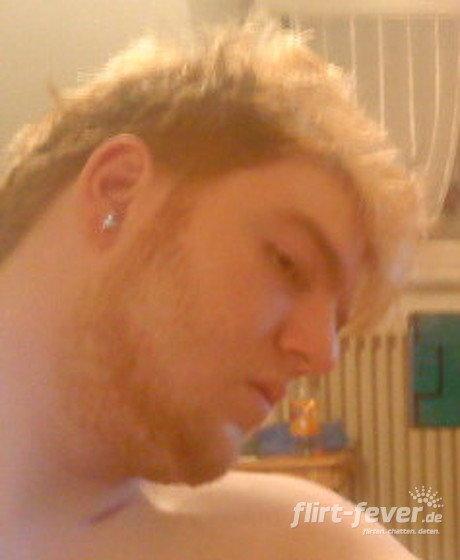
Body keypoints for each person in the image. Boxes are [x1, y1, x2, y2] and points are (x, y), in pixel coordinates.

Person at [0, 18, 424, 560]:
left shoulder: (307, 546)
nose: (322, 355)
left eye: (338, 322)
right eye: (288, 263)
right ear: (117, 195)